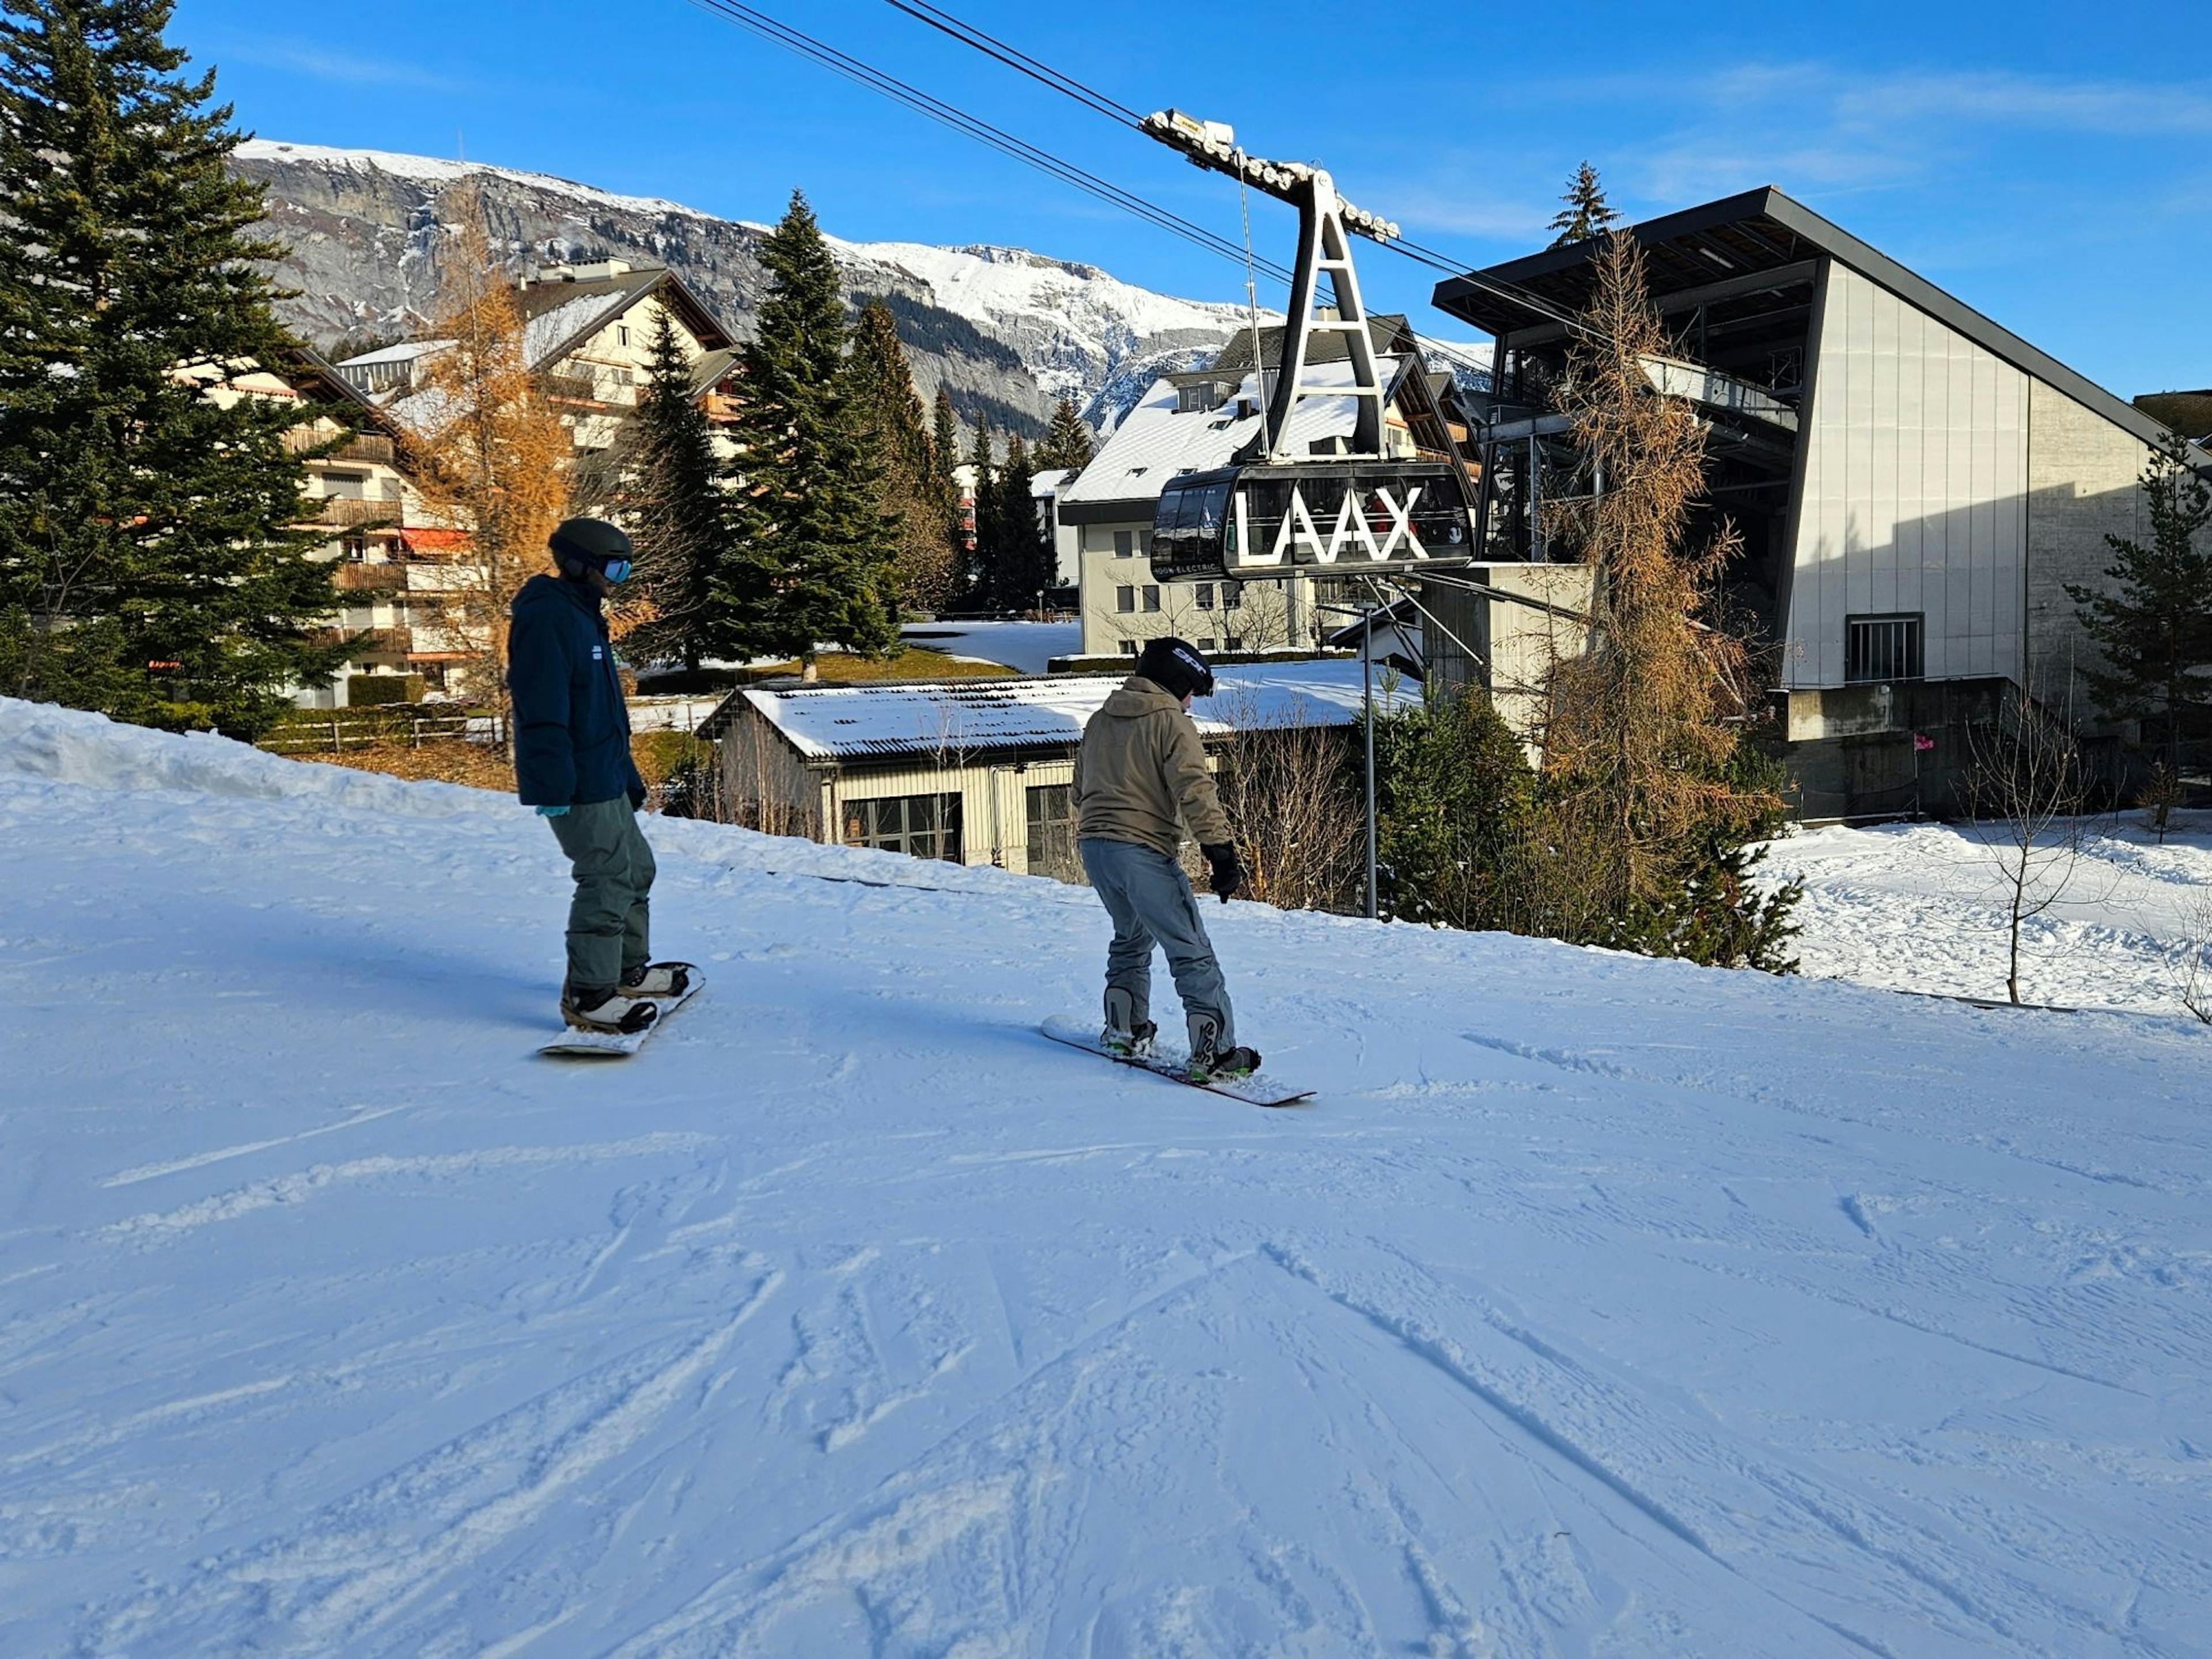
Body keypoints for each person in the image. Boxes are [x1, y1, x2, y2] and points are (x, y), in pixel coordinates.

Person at [508, 517, 688, 1035]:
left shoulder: (585, 617)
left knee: (637, 868)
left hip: (603, 771)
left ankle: (626, 970)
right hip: (576, 782)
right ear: (577, 563)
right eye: (614, 567)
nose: (619, 579)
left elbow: (603, 711)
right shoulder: (547, 618)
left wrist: (627, 772)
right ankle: (590, 995)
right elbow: (541, 708)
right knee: (606, 878)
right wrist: (552, 785)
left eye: (626, 568)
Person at [1071, 635, 1260, 1078]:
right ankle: (1214, 1054)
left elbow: (1080, 790)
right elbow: (1195, 792)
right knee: (1191, 950)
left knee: (1131, 938)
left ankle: (1123, 1028)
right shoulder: (1172, 723)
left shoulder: (1101, 719)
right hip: (1142, 851)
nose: (1192, 702)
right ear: (1177, 682)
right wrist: (1221, 855)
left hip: (1095, 847)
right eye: (1191, 691)